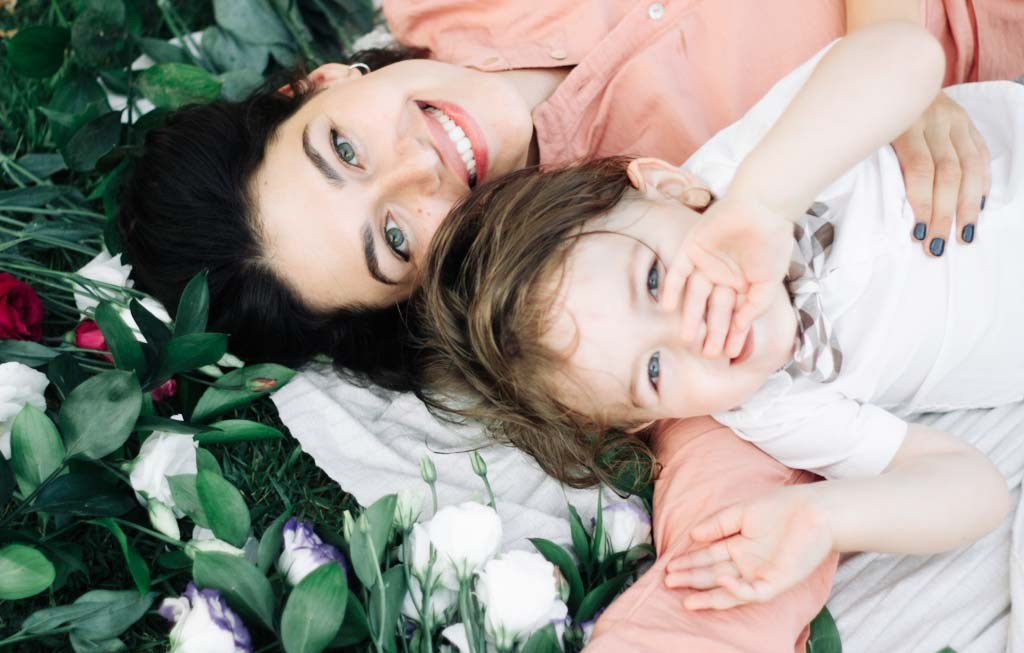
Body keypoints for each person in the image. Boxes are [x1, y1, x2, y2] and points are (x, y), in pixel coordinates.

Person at [415, 23, 1017, 609]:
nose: (691, 333)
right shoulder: (772, 407)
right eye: (653, 370)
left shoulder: (748, 167)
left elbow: (905, 56)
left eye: (653, 280)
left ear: (672, 189)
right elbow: (975, 489)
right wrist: (824, 518)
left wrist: (766, 202)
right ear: (645, 418)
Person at [117, 1, 1023, 387]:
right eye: (393, 237)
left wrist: (894, 50)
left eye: (343, 146)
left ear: (314, 83)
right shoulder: (647, 230)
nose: (414, 166)